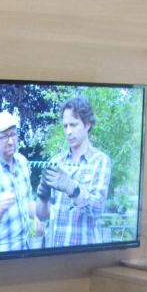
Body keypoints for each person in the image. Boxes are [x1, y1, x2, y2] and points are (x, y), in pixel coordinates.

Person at [35, 95, 112, 247]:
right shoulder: (56, 161)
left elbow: (97, 211)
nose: (68, 131)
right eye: (65, 126)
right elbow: (42, 216)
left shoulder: (100, 161)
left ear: (88, 124)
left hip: (83, 256)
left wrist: (73, 189)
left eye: (73, 125)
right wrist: (43, 198)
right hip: (54, 253)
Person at [0, 110, 42, 253]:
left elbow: (28, 201)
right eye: (5, 136)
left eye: (13, 134)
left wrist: (36, 216)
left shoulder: (22, 162)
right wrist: (0, 208)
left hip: (23, 253)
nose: (11, 141)